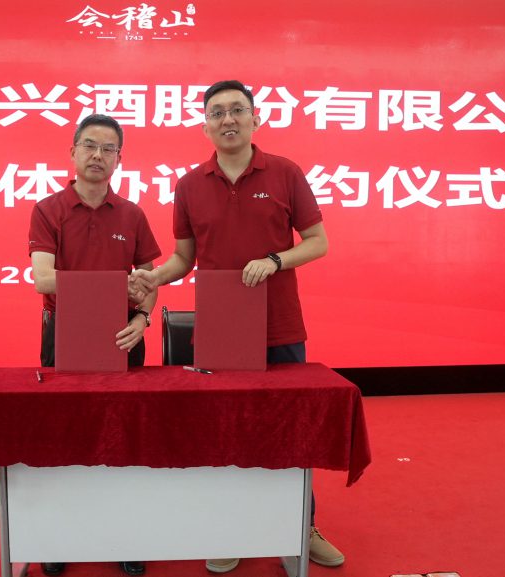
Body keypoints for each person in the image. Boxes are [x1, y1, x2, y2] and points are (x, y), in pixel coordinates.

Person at [129, 80, 344, 572]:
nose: (227, 119)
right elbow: (183, 258)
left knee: (291, 430)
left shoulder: (285, 172)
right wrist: (154, 277)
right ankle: (231, 528)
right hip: (222, 325)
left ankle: (303, 526)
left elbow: (318, 242)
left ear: (255, 118)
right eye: (217, 113)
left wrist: (275, 260)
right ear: (205, 124)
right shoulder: (189, 185)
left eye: (237, 110)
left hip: (279, 324)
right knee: (226, 430)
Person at [28, 113, 161, 576]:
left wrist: (143, 318)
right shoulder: (48, 209)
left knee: (126, 439)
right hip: (65, 332)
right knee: (66, 436)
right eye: (89, 145)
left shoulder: (132, 214)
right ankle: (62, 536)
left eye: (108, 149)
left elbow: (148, 281)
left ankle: (123, 534)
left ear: (119, 159)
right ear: (73, 151)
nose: (98, 155)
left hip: (123, 335)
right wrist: (113, 286)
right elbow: (42, 279)